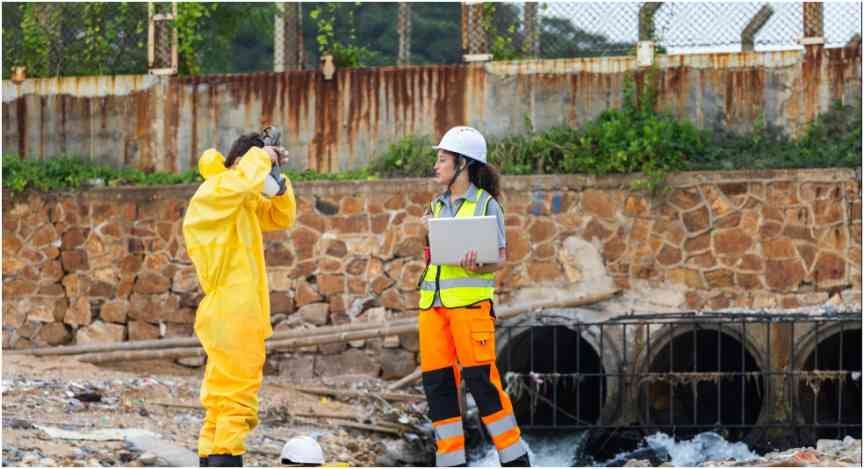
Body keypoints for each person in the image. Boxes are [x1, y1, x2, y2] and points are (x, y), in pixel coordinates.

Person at [182, 131, 297, 467]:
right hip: (235, 309)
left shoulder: (236, 199)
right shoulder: (217, 191)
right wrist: (262, 158)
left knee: (220, 395)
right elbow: (242, 182)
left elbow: (280, 216)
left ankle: (210, 455)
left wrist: (279, 180)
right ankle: (227, 457)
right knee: (237, 395)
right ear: (240, 164)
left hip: (231, 309)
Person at [418, 126, 531, 467]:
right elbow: (430, 255)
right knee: (437, 386)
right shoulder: (435, 205)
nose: (436, 166)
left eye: (442, 160)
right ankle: (450, 461)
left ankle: (514, 458)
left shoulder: (486, 205)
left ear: (462, 164)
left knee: (481, 383)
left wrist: (477, 265)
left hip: (469, 308)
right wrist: (423, 234)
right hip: (432, 306)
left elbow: (497, 259)